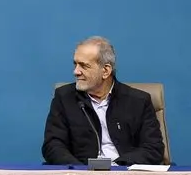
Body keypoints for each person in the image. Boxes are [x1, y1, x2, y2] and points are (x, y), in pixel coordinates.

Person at [42, 36, 164, 166]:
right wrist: (80, 170)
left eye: (83, 66)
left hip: (126, 171)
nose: (76, 71)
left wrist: (117, 167)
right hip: (82, 173)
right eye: (75, 64)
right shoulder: (64, 97)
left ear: (105, 71)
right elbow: (53, 146)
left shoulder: (138, 101)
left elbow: (153, 148)